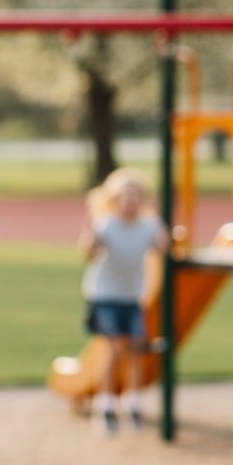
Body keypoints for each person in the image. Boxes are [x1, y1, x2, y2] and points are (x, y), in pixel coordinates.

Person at [79, 167, 168, 433]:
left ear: (142, 199)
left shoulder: (149, 225)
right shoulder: (106, 224)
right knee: (115, 348)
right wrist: (90, 238)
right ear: (115, 200)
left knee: (136, 348)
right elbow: (89, 256)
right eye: (124, 197)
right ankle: (105, 404)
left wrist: (164, 233)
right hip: (105, 294)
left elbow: (164, 249)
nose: (130, 202)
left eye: (135, 196)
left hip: (131, 295)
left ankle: (132, 401)